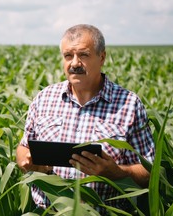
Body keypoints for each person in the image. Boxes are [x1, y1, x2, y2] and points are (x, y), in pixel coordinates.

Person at [16, 24, 155, 214]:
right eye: (68, 56)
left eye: (83, 55)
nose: (74, 63)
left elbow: (149, 171)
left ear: (102, 57)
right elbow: (24, 147)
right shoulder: (44, 98)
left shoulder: (128, 104)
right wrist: (28, 163)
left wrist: (116, 173)